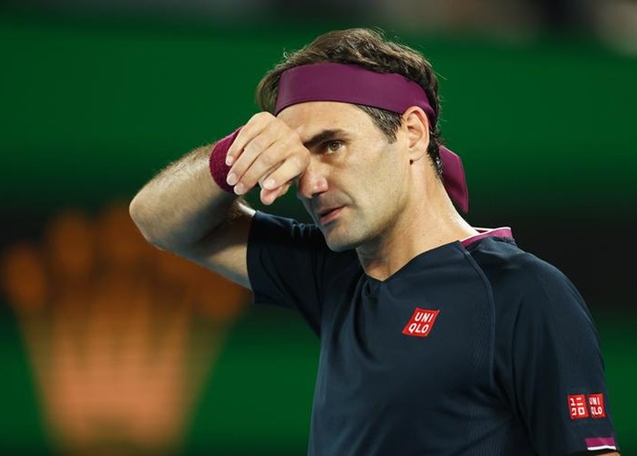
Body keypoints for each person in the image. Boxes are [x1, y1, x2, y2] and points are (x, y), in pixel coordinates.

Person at [129, 27, 620, 455]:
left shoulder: (524, 293)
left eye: (332, 145)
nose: (310, 183)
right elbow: (156, 220)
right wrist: (234, 156)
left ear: (411, 132)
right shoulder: (331, 271)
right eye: (297, 157)